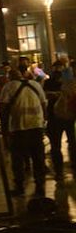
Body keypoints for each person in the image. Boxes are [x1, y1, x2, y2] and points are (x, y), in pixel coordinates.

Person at [0, 68, 48, 202]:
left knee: (18, 159)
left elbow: (2, 108)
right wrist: (43, 120)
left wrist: (4, 130)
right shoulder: (35, 85)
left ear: (9, 77)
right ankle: (40, 186)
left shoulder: (8, 87)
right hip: (36, 126)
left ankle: (20, 187)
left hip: (19, 127)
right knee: (38, 158)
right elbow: (44, 103)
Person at [44, 60, 74, 190]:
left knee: (57, 145)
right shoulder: (69, 82)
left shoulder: (52, 82)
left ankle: (60, 172)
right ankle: (65, 169)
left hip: (57, 117)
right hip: (67, 117)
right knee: (69, 143)